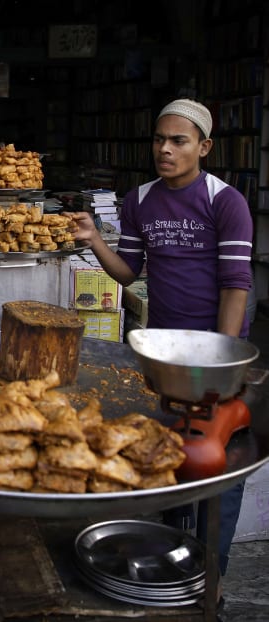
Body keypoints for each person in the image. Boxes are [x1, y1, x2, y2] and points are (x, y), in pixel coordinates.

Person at [68, 99, 253, 592]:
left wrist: (222, 359)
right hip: (164, 351)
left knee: (217, 465)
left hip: (215, 348)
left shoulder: (224, 201)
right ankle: (176, 563)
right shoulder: (140, 200)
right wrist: (93, 239)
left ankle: (212, 576)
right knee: (169, 453)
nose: (165, 150)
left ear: (204, 147)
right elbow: (128, 271)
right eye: (159, 140)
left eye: (179, 141)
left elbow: (237, 284)